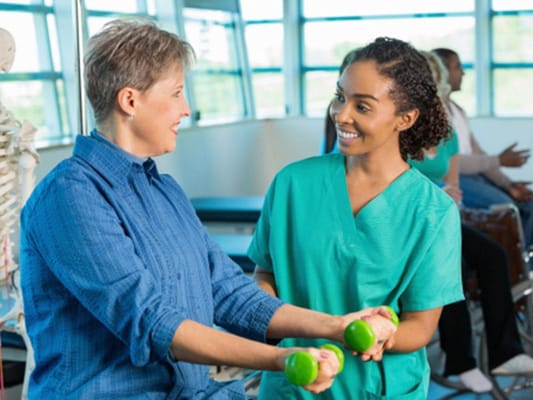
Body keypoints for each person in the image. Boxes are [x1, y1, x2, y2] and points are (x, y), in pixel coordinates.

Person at [19, 19, 391, 399]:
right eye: (177, 93)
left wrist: (335, 326)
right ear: (130, 101)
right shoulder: (69, 197)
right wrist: (279, 359)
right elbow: (152, 322)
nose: (186, 109)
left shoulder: (164, 190)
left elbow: (228, 292)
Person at [249, 37, 464, 399]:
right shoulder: (292, 184)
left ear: (405, 118)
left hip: (378, 388)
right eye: (340, 96)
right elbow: (265, 274)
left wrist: (385, 334)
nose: (341, 114)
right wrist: (266, 318)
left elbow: (420, 326)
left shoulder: (433, 212)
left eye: (362, 106)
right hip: (294, 384)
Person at [409, 50, 533, 394]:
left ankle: (505, 353)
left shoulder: (446, 128)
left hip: (439, 215)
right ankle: (459, 360)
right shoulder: (404, 128)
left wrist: (453, 196)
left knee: (491, 254)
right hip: (412, 217)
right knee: (454, 269)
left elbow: (453, 183)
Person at [432, 47, 533, 247]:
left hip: (477, 176)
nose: (463, 72)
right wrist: (499, 160)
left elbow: (479, 155)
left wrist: (509, 185)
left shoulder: (457, 110)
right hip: (460, 179)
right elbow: (453, 162)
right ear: (442, 71)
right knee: (507, 208)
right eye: (457, 66)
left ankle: (523, 265)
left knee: (528, 202)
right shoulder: (435, 114)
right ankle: (513, 266)